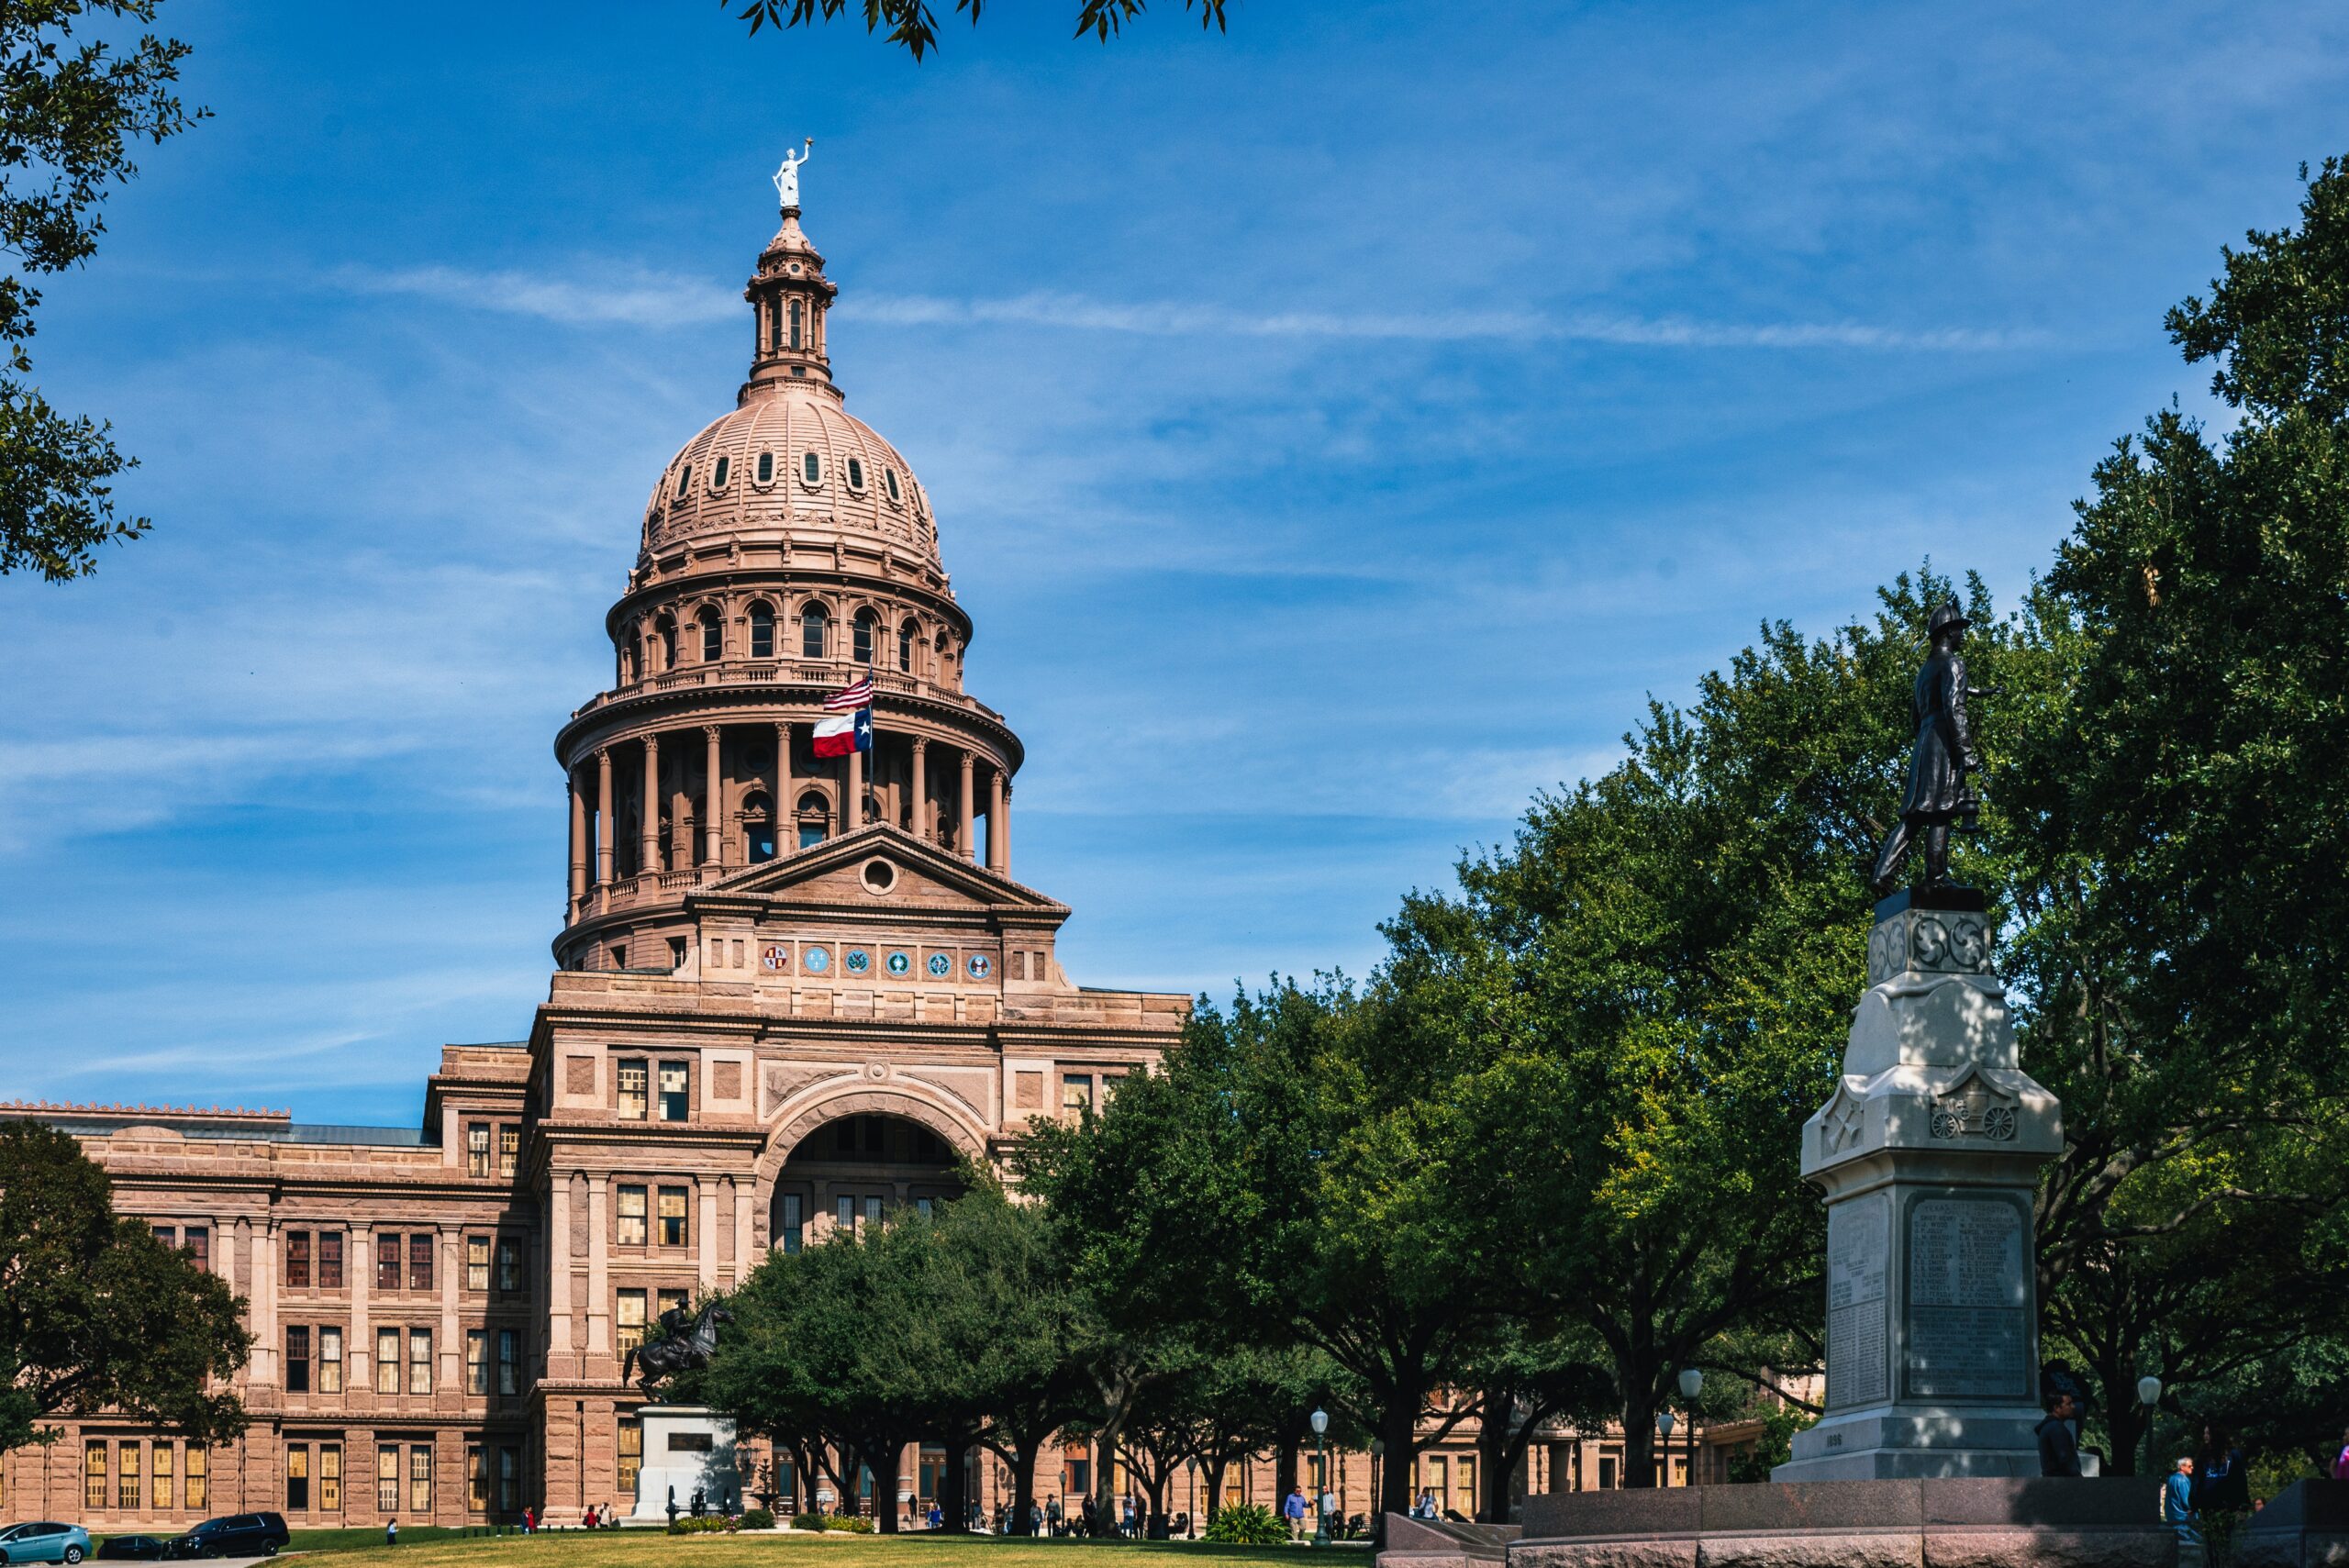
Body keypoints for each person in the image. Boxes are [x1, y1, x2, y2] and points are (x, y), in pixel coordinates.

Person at [2036, 1391, 2082, 1476]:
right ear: (2057, 1408)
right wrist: (2079, 1479)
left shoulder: (2050, 1427)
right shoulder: (2056, 1428)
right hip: (2063, 1484)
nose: (2073, 1406)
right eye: (2069, 1404)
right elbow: (2065, 1458)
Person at [2163, 1456, 2201, 1554]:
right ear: (2182, 1467)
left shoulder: (2171, 1478)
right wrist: (2194, 1508)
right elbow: (2187, 1500)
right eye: (2189, 1466)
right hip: (2183, 1518)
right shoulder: (2183, 1480)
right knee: (2197, 1545)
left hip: (2172, 1517)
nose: (2192, 1467)